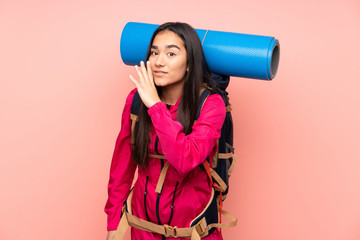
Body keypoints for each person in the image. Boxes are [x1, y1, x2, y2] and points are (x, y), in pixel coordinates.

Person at [105, 22, 226, 240]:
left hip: (193, 234)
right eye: (154, 52)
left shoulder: (211, 105)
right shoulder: (135, 100)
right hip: (142, 231)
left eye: (171, 53)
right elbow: (121, 166)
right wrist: (114, 223)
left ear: (189, 63)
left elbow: (186, 159)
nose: (159, 62)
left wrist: (155, 107)